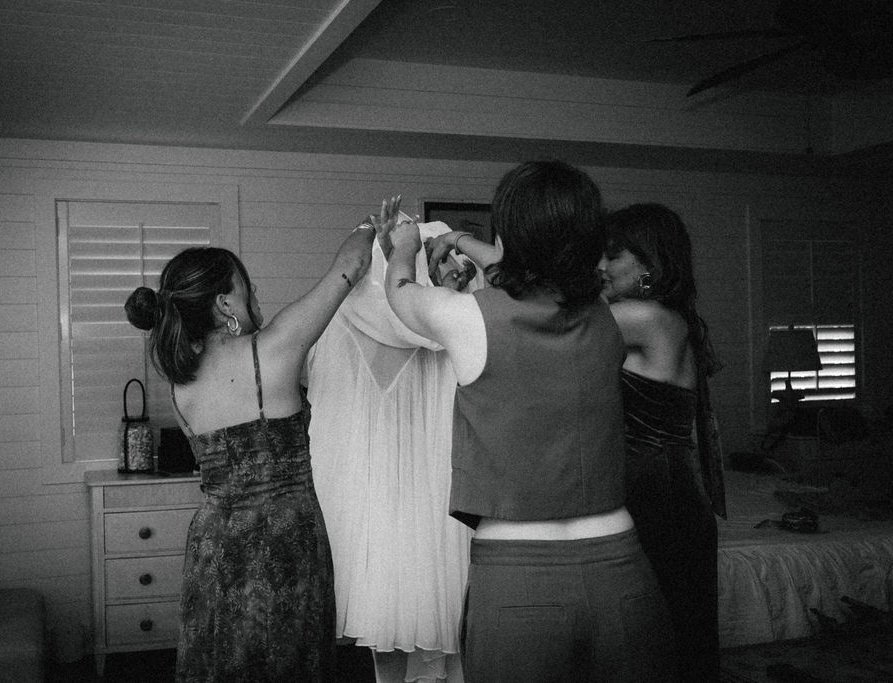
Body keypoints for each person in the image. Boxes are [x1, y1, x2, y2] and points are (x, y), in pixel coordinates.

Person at [382, 161, 678, 682]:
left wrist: (402, 247)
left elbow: (400, 291)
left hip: (519, 579)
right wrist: (461, 239)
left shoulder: (467, 316)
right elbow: (531, 271)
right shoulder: (609, 313)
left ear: (511, 233)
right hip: (623, 568)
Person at [124, 221, 376, 682]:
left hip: (214, 545)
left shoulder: (180, 386)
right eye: (246, 290)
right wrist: (369, 226)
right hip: (287, 539)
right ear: (224, 304)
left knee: (224, 662)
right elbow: (353, 264)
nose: (254, 298)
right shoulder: (274, 349)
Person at [306, 214, 482, 683]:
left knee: (384, 639)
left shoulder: (331, 323)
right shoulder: (447, 325)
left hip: (369, 520)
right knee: (441, 646)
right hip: (436, 516)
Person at [598, 202, 726, 682]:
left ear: (650, 264)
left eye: (614, 256)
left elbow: (549, 322)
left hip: (660, 495)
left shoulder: (647, 317)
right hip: (654, 489)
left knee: (666, 639)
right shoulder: (659, 316)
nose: (602, 267)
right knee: (662, 638)